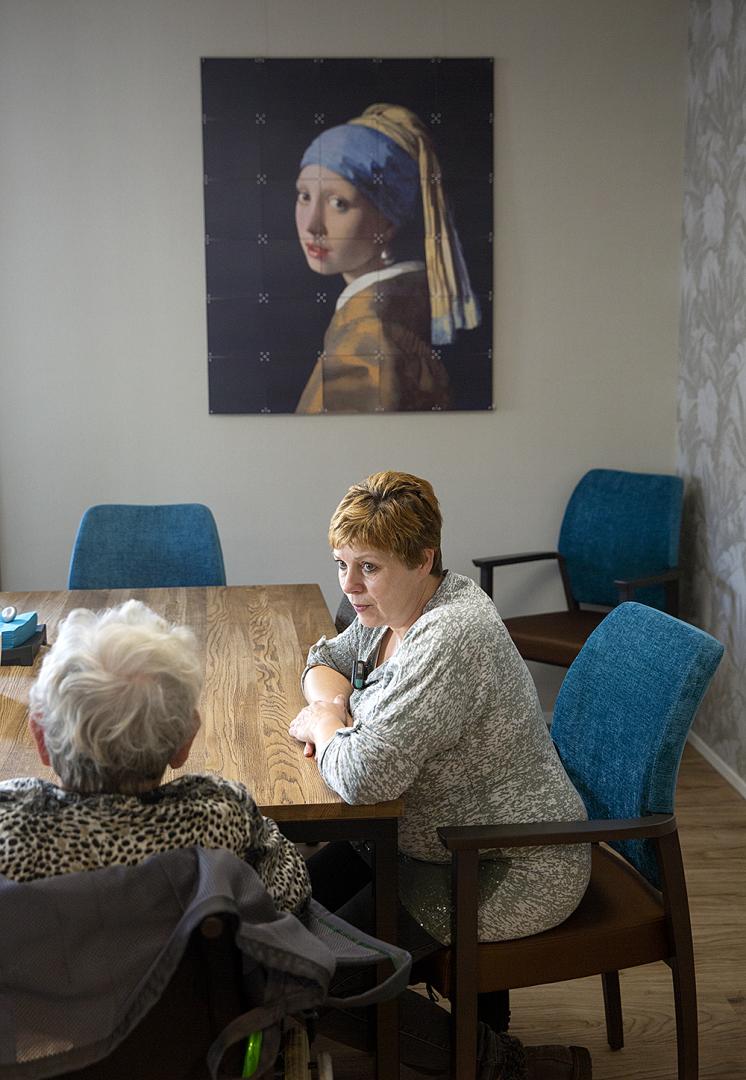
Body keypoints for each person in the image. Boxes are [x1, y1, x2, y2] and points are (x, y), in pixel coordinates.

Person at [289, 471, 593, 1080]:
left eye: (367, 567)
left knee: (305, 976)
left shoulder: (448, 635)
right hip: (416, 841)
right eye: (340, 563)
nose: (349, 585)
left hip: (502, 862)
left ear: (423, 559)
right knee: (277, 914)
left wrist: (325, 725)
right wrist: (331, 710)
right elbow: (326, 657)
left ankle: (509, 1065)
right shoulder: (392, 610)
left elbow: (363, 776)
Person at [0, 599, 310, 917]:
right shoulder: (221, 817)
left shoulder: (8, 831)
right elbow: (292, 893)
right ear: (185, 742)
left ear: (40, 737)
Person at [294, 103, 481, 414]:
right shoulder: (403, 306)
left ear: (389, 222)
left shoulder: (367, 336)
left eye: (339, 203)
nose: (312, 224)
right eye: (304, 196)